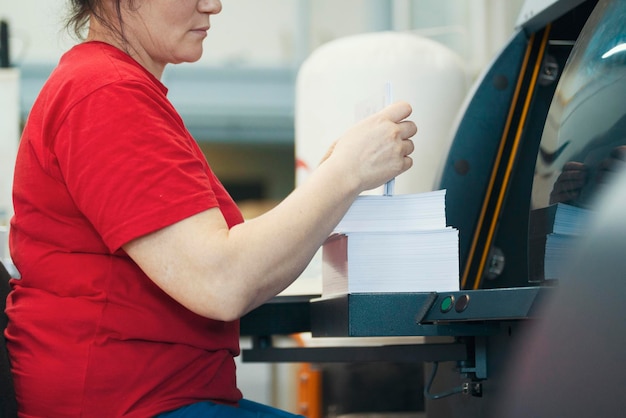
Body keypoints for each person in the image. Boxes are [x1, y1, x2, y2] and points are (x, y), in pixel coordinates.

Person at [5, 0, 417, 417]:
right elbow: (220, 282)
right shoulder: (106, 93)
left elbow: (224, 271)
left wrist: (336, 180)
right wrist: (346, 173)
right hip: (130, 404)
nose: (214, 5)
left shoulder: (111, 87)